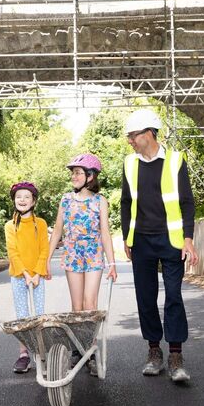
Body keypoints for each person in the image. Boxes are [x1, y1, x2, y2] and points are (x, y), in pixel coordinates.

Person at [120, 108, 199, 383]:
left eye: (132, 135)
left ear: (148, 134)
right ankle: (154, 352)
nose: (130, 140)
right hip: (140, 240)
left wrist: (188, 239)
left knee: (174, 296)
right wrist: (126, 238)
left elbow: (187, 202)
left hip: (171, 240)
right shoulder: (130, 164)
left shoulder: (175, 160)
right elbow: (126, 203)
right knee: (145, 297)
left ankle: (176, 354)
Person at [47, 153, 117, 376]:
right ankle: (79, 348)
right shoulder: (66, 199)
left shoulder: (100, 201)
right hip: (72, 255)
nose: (74, 176)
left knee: (90, 303)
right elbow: (58, 230)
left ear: (90, 176)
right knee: (77, 306)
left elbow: (105, 233)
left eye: (78, 173)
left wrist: (112, 262)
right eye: (73, 173)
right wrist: (46, 259)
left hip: (94, 255)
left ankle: (91, 349)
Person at [4, 181, 50, 374]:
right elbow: (13, 252)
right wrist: (24, 273)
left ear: (33, 201)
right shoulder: (10, 226)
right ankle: (24, 354)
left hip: (37, 276)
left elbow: (44, 250)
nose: (22, 200)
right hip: (18, 276)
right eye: (18, 197)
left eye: (26, 197)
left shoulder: (40, 224)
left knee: (38, 314)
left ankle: (41, 352)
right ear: (14, 200)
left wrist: (37, 273)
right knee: (22, 316)